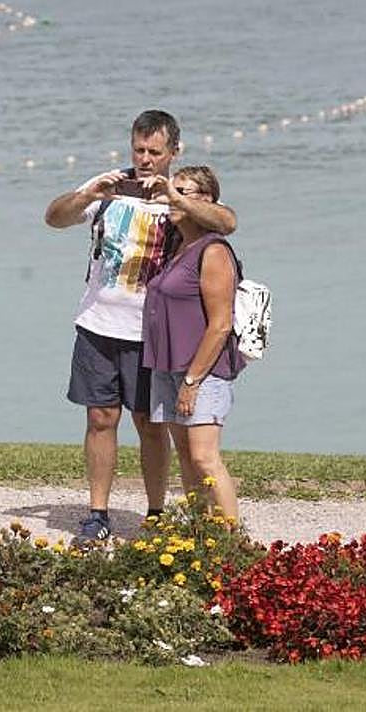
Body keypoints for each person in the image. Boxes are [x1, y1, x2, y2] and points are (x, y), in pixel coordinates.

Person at [44, 110, 237, 543]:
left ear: (174, 152)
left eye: (155, 151)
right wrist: (86, 195)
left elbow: (227, 222)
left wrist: (177, 198)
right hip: (97, 323)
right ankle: (97, 513)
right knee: (100, 417)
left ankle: (155, 510)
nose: (145, 159)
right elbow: (54, 218)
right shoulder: (111, 188)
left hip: (150, 333)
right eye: (139, 149)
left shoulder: (180, 195)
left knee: (150, 422)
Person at [142, 165, 245, 523]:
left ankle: (234, 539)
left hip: (201, 373)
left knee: (204, 457)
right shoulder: (175, 245)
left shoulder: (213, 251)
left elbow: (220, 325)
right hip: (167, 368)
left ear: (206, 201)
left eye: (182, 192)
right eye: (172, 190)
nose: (172, 198)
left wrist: (192, 381)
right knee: (185, 457)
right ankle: (202, 533)